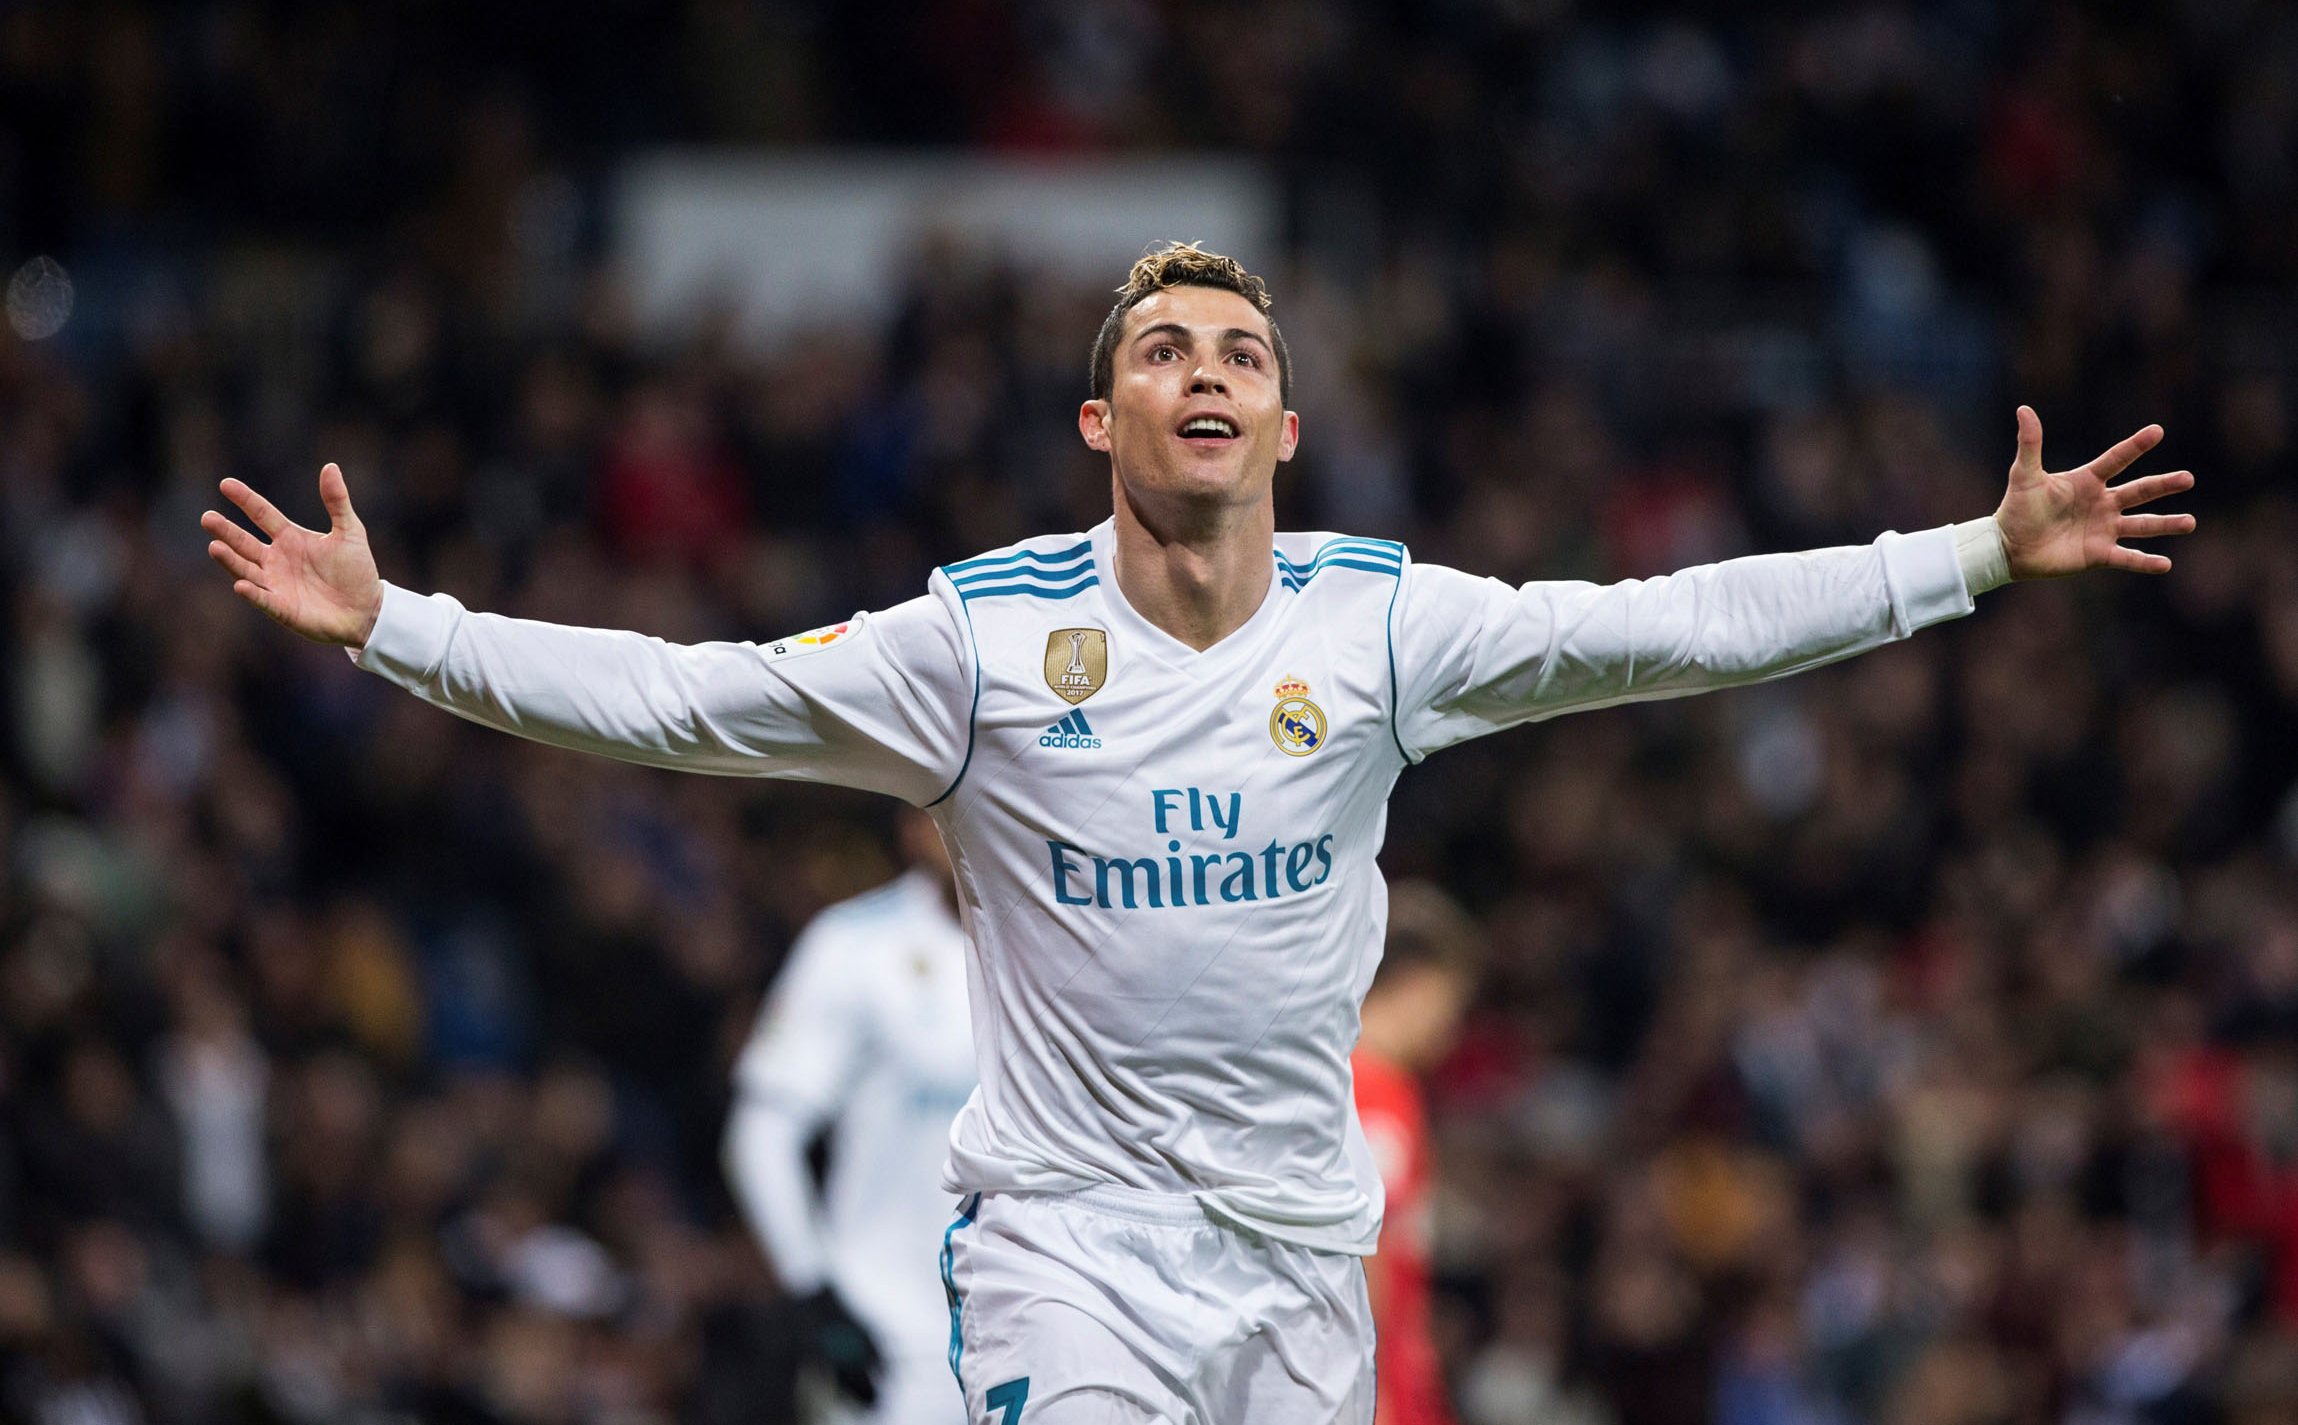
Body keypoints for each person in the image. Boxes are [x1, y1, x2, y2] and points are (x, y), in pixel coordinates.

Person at [200, 243, 2194, 1425]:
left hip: (1299, 1259)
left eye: (1243, 353)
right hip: (1065, 1251)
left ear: (1288, 429)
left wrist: (1968, 558)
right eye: (1165, 351)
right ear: (1104, 428)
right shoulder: (974, 645)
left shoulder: (1387, 626)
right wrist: (399, 626)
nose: (1208, 372)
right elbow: (680, 693)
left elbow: (1674, 630)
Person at [725, 808, 974, 1425]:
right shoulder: (853, 945)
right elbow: (761, 1135)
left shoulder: (1059, 946)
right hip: (889, 1339)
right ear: (912, 829)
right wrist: (814, 1294)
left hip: (1037, 1322)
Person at [1351, 882, 1480, 1425]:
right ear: (1416, 983)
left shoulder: (1365, 1084)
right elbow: (1359, 1247)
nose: (1449, 1030)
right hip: (1376, 1382)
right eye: (1451, 1002)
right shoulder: (1374, 1092)